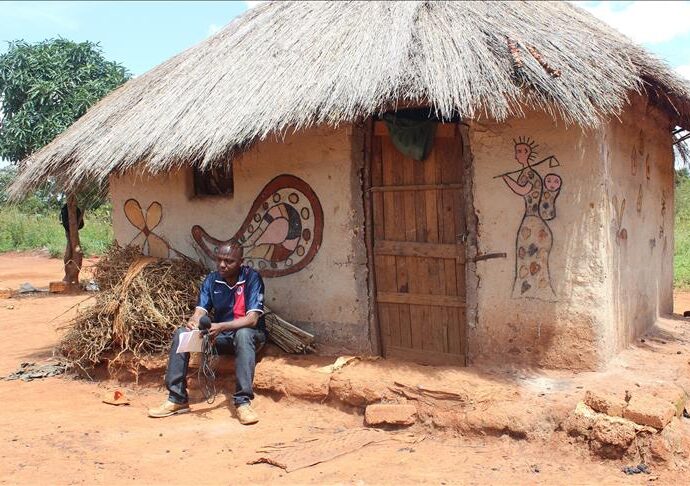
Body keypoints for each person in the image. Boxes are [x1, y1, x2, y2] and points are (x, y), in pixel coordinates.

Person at [147, 242, 267, 425]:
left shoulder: (252, 278)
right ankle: (177, 398)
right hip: (222, 337)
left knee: (243, 334)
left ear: (241, 262)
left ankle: (243, 402)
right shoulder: (212, 280)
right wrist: (194, 322)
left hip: (250, 337)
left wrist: (221, 326)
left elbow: (252, 319)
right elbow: (200, 311)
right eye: (219, 260)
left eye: (229, 261)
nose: (222, 265)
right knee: (181, 334)